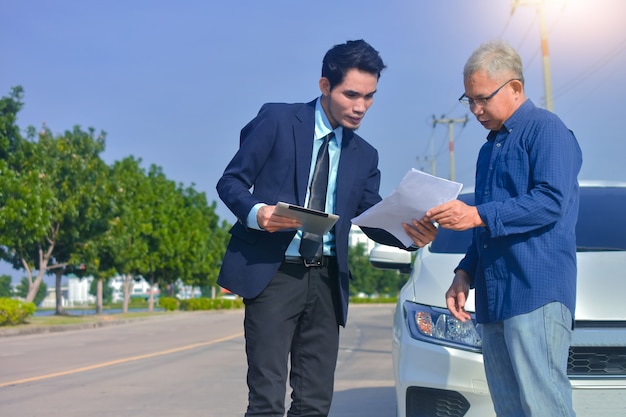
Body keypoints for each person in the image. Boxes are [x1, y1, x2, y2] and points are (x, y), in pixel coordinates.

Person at [216, 39, 437, 417]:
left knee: (315, 404)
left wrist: (410, 236)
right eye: (351, 94)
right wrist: (258, 213)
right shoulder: (277, 120)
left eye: (369, 97)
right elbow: (231, 182)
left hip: (327, 283)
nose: (361, 106)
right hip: (273, 275)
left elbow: (372, 217)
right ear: (324, 86)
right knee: (266, 401)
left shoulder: (364, 154)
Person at [426, 40, 582, 417]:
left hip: (534, 291)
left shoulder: (546, 130)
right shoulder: (489, 150)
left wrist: (476, 215)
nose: (476, 110)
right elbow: (489, 224)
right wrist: (465, 273)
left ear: (515, 88)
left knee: (544, 406)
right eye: (469, 101)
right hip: (495, 298)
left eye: (482, 99)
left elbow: (550, 200)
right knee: (510, 409)